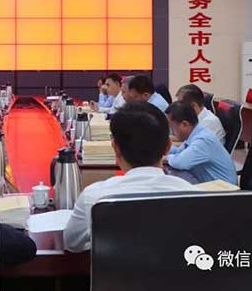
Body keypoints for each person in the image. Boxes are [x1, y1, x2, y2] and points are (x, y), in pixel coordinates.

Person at [64, 102, 196, 252]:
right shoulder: (192, 194)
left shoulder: (94, 197)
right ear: (168, 147)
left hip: (114, 268)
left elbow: (72, 243)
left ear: (115, 148)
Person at [165, 102, 238, 185]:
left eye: (171, 126)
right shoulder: (195, 134)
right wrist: (161, 147)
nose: (171, 131)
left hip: (224, 189)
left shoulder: (203, 140)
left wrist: (166, 158)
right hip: (211, 184)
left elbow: (179, 162)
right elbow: (178, 152)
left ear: (184, 124)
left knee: (173, 178)